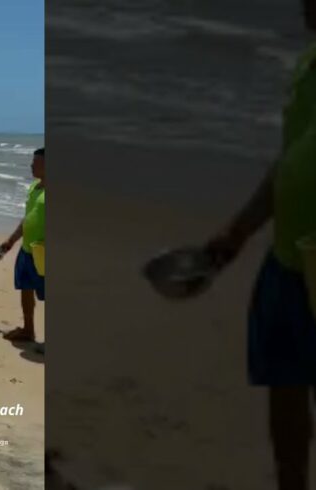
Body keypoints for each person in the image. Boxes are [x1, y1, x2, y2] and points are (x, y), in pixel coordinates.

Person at [204, 1, 316, 488]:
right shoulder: (308, 61)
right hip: (288, 258)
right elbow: (290, 160)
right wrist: (238, 231)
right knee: (284, 390)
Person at [0, 147, 45, 346]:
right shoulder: (34, 187)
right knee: (25, 288)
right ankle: (28, 330)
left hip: (44, 253)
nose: (32, 165)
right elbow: (28, 218)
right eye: (33, 161)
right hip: (27, 250)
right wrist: (11, 240)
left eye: (37, 162)